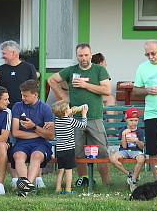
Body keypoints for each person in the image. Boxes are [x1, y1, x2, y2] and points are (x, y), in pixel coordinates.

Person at [48, 43, 112, 186]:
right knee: (77, 152)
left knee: (101, 151)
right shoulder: (71, 70)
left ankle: (107, 183)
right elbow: (51, 80)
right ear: (76, 56)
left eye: (86, 55)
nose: (83, 58)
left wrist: (85, 85)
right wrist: (64, 97)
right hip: (75, 118)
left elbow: (107, 90)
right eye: (80, 55)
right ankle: (84, 179)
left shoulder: (99, 70)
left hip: (94, 117)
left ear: (90, 55)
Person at [11, 80, 55, 194]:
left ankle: (25, 188)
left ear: (35, 95)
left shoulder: (45, 108)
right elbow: (15, 132)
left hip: (41, 144)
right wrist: (39, 132)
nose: (22, 98)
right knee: (18, 155)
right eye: (22, 95)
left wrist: (34, 126)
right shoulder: (17, 107)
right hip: (22, 143)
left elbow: (50, 136)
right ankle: (26, 186)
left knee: (36, 156)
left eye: (25, 96)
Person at [52, 100, 88, 194]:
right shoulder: (70, 120)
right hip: (69, 149)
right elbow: (83, 126)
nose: (70, 109)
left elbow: (65, 121)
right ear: (65, 111)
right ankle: (68, 189)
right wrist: (84, 115)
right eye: (68, 108)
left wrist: (70, 113)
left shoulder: (57, 121)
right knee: (69, 171)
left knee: (61, 171)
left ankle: (58, 188)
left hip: (59, 150)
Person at [108, 107, 146, 190]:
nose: (133, 123)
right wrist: (123, 136)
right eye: (131, 120)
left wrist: (136, 141)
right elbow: (124, 146)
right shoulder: (123, 130)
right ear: (126, 120)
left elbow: (142, 147)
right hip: (124, 151)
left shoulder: (140, 131)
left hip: (136, 151)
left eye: (135, 120)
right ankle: (129, 173)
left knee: (141, 159)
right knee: (112, 158)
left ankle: (133, 180)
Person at [0, 40, 37, 106]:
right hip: (5, 108)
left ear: (13, 53)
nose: (2, 56)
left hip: (25, 108)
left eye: (4, 53)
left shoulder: (29, 68)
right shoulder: (1, 69)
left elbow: (34, 88)